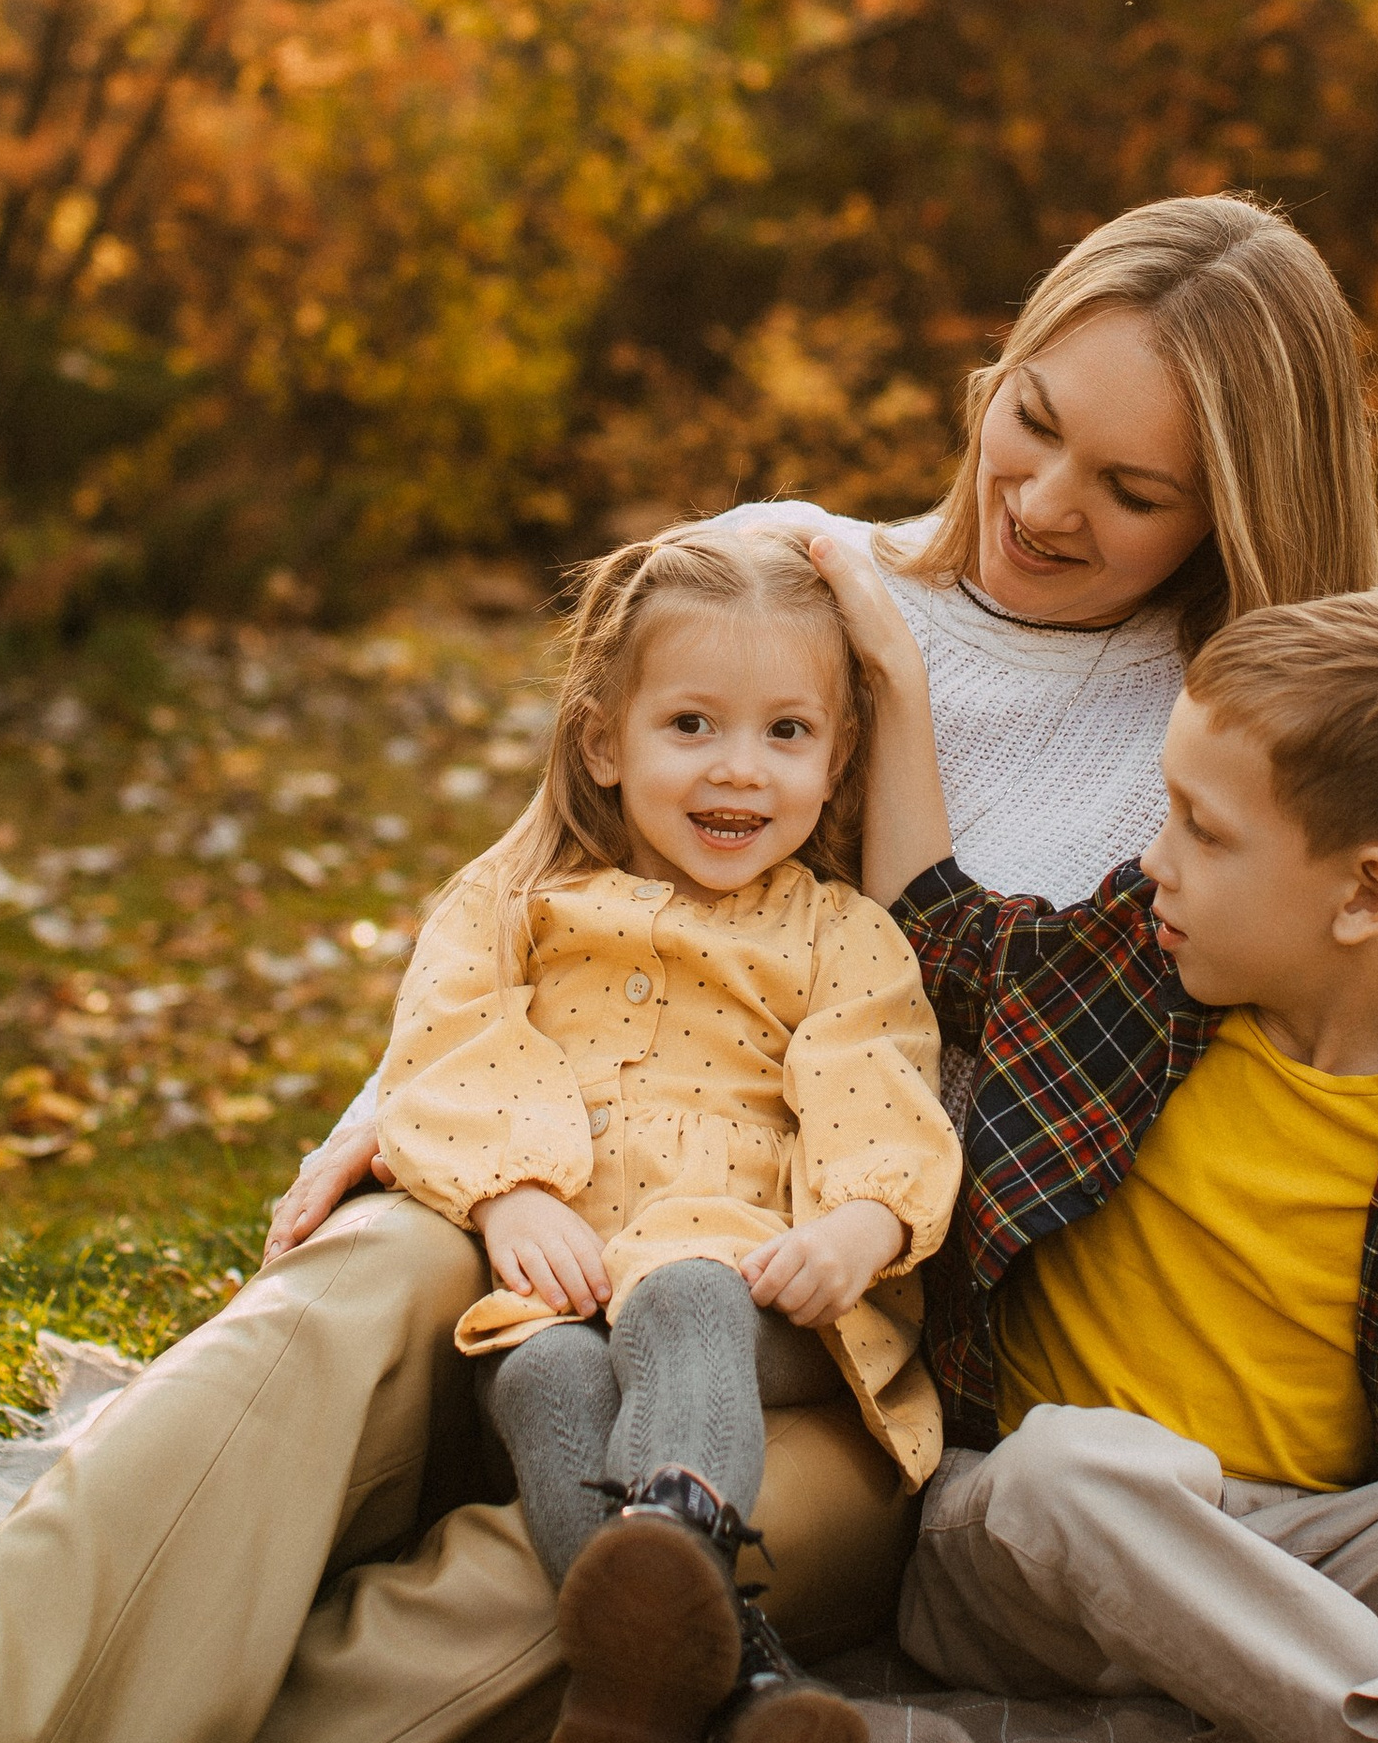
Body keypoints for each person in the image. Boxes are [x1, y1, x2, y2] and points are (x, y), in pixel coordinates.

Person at [0, 192, 1378, 1743]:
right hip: (536, 1194)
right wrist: (405, 1124)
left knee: (595, 1582)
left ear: (1227, 517)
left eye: (1132, 489)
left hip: (820, 1331)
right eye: (1030, 420)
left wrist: (897, 689)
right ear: (992, 374)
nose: (1042, 504)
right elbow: (532, 894)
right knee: (317, 1328)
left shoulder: (1205, 757)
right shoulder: (771, 568)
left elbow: (989, 1050)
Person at [812, 572, 1378, 1743]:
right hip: (1034, 1540)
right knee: (1080, 1466)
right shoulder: (1132, 964)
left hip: (1300, 1566)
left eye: (1202, 831)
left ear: (1365, 894)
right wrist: (899, 682)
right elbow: (935, 930)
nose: (1155, 857)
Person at [373, 527, 959, 1743]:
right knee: (540, 1372)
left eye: (785, 733)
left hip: (762, 1293)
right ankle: (712, 1682)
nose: (737, 771)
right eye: (690, 725)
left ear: (837, 754)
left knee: (681, 1298)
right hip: (566, 1286)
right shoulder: (525, 904)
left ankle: (676, 1545)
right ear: (604, 740)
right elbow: (446, 1035)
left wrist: (860, 1223)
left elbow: (881, 1077)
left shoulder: (836, 933)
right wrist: (507, 1193)